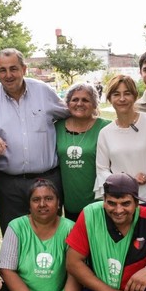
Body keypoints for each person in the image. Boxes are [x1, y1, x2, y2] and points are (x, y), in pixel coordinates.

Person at [0, 48, 69, 233]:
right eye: (2, 70)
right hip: (8, 186)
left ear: (24, 69)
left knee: (50, 236)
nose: (8, 75)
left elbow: (69, 114)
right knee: (14, 237)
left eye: (13, 69)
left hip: (47, 180)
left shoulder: (43, 92)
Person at [0, 179, 79, 291]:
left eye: (48, 198)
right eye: (36, 200)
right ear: (29, 205)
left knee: (82, 290)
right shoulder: (16, 227)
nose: (42, 204)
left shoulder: (71, 228)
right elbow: (6, 270)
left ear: (58, 203)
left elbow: (75, 272)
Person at [95, 74, 146, 220]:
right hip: (123, 202)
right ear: (109, 98)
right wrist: (127, 181)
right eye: (116, 94)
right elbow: (102, 170)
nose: (122, 99)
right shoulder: (105, 133)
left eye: (127, 93)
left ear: (135, 96)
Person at [55, 83, 110, 220]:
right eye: (75, 99)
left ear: (94, 104)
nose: (79, 103)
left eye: (85, 100)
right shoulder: (57, 127)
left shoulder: (105, 127)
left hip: (100, 203)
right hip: (71, 204)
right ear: (68, 104)